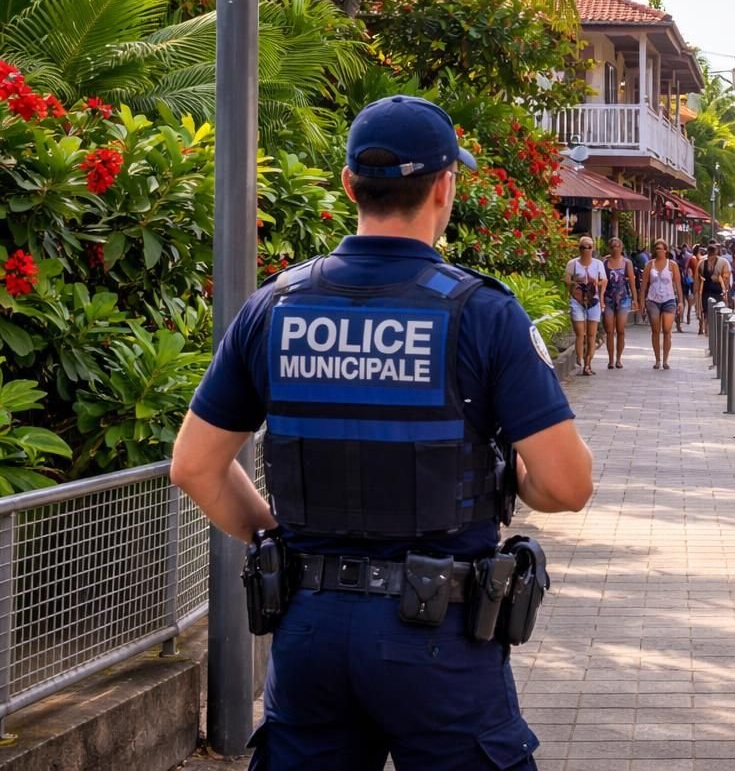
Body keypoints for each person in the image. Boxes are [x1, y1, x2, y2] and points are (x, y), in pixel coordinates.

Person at [170, 94, 593, 769]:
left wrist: (279, 544)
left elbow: (194, 466)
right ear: (445, 186)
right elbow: (567, 486)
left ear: (348, 185)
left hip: (308, 632)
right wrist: (511, 473)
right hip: (441, 641)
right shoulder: (482, 313)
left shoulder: (272, 308)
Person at [566, 236, 606, 376]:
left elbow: (604, 281)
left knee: (591, 335)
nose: (586, 250)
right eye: (583, 247)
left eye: (589, 247)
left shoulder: (598, 264)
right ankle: (579, 357)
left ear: (593, 248)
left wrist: (596, 283)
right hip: (577, 301)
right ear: (579, 248)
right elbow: (567, 281)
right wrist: (576, 282)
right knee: (580, 333)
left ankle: (588, 364)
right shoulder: (573, 264)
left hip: (593, 301)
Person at [641, 238, 683, 370]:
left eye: (661, 248)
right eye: (656, 248)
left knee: (666, 330)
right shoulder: (649, 265)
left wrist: (681, 301)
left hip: (669, 299)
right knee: (655, 330)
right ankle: (657, 359)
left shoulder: (672, 265)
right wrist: (642, 301)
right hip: (653, 299)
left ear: (665, 250)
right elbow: (644, 285)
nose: (659, 250)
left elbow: (677, 284)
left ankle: (665, 359)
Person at [600, 238, 636, 370]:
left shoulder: (627, 263)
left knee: (620, 330)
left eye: (618, 246)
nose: (615, 248)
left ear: (621, 248)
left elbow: (632, 281)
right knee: (609, 330)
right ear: (609, 248)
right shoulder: (604, 262)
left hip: (623, 298)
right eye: (613, 246)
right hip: (608, 298)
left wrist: (635, 299)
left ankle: (619, 358)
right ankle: (610, 359)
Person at [696, 244, 726, 334]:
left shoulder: (702, 263)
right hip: (712, 290)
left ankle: (707, 330)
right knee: (710, 311)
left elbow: (698, 278)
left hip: (710, 290)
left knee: (707, 312)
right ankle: (708, 330)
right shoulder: (704, 263)